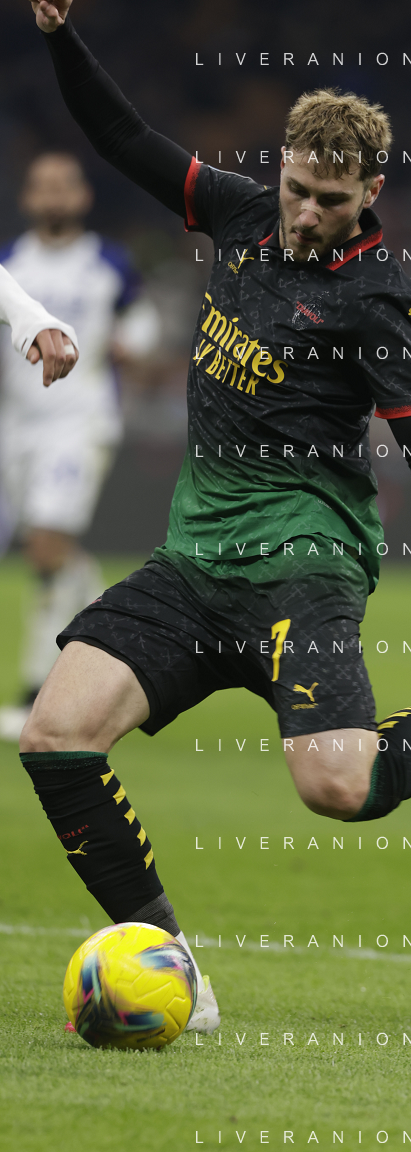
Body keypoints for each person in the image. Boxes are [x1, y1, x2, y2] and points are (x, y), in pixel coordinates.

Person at [20, 0, 411, 1036]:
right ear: (280, 169)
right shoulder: (239, 211)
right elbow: (122, 137)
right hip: (196, 561)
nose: (303, 214)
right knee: (56, 735)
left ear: (370, 190)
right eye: (295, 189)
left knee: (337, 787)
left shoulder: (378, 301)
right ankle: (178, 972)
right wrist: (63, 36)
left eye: (329, 201)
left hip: (305, 565)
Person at [0, 151, 160, 742]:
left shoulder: (108, 262)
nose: (54, 195)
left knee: (45, 544)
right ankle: (92, 589)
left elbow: (140, 317)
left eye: (64, 185)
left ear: (83, 196)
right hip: (16, 425)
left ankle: (34, 689)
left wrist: (132, 343)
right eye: (43, 186)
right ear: (27, 197)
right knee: (48, 550)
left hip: (80, 420)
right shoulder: (9, 263)